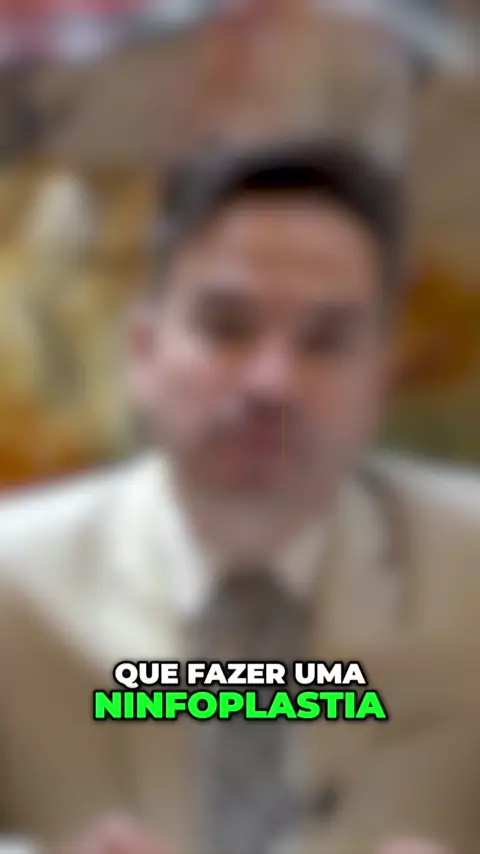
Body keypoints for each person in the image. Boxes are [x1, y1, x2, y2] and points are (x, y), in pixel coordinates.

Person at [0, 139, 479, 854]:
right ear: (143, 350)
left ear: (382, 379)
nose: (271, 383)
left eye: (326, 340)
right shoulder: (13, 584)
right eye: (227, 328)